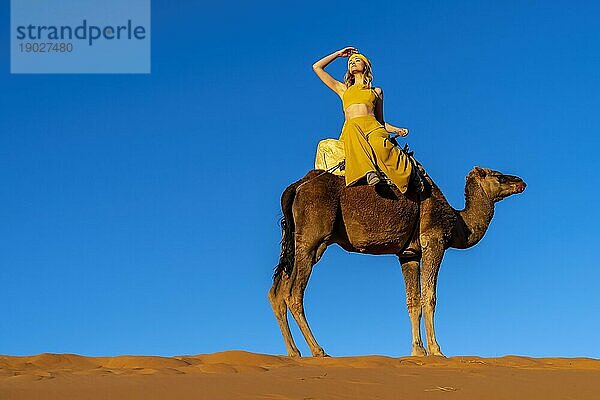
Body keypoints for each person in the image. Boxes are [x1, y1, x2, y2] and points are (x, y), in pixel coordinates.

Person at [312, 46, 413, 193]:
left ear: (365, 66)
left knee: (380, 145)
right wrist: (338, 54)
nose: (352, 62)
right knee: (350, 128)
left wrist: (397, 129)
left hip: (373, 127)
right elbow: (317, 67)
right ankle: (368, 172)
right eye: (350, 62)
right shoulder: (344, 90)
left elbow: (381, 121)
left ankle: (408, 177)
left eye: (357, 60)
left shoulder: (376, 91)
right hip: (353, 128)